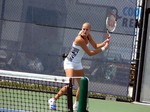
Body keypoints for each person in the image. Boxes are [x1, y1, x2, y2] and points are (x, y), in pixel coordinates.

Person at [48, 22, 110, 111]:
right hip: (69, 63)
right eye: (83, 29)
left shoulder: (88, 36)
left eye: (87, 29)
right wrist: (104, 48)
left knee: (82, 84)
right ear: (82, 29)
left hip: (77, 63)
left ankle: (76, 105)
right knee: (70, 84)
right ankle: (53, 100)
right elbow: (90, 53)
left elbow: (96, 46)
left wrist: (104, 43)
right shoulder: (79, 39)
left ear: (89, 30)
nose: (84, 31)